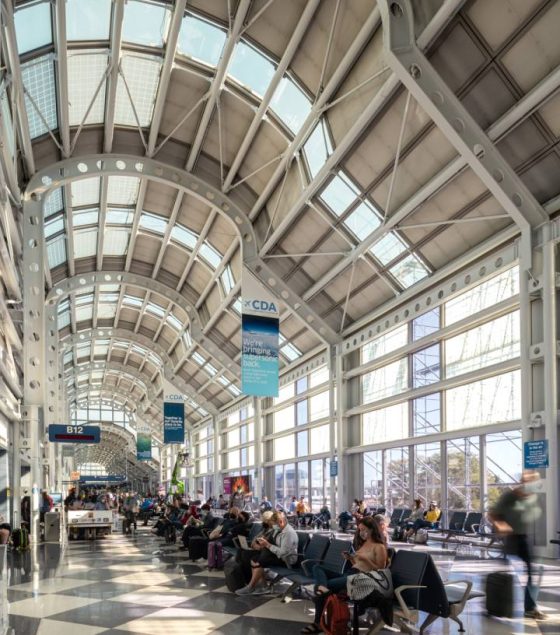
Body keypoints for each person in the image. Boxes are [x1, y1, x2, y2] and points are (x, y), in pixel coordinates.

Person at [301, 516, 388, 634]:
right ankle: (323, 590)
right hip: (351, 573)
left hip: (362, 578)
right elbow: (358, 564)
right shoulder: (364, 544)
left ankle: (318, 622)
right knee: (317, 567)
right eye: (360, 530)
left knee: (325, 587)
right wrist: (351, 559)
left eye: (364, 530)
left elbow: (380, 571)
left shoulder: (380, 547)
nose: (361, 533)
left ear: (372, 529)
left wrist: (365, 559)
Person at [489, 471, 545, 620]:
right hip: (512, 538)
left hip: (528, 538)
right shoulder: (509, 496)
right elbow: (492, 514)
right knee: (532, 571)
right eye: (527, 481)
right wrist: (500, 524)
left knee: (535, 571)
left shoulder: (534, 497)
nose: (531, 485)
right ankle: (528, 607)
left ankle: (530, 607)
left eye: (533, 481)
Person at [236, 511, 298, 595]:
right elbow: (273, 543)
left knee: (259, 562)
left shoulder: (288, 533)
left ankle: (251, 587)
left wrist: (267, 545)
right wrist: (264, 542)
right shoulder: (279, 529)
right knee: (253, 559)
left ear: (281, 522)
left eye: (274, 524)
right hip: (276, 555)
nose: (273, 527)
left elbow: (283, 553)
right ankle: (264, 586)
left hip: (286, 559)